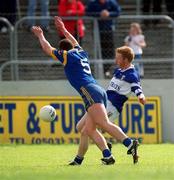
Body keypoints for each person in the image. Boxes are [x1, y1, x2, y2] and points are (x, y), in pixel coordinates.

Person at [32, 16, 142, 165]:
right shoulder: (80, 52)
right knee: (86, 129)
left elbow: (47, 48)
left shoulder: (67, 56)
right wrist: (63, 29)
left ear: (63, 50)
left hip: (89, 91)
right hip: (97, 90)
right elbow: (75, 41)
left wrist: (40, 35)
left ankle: (130, 143)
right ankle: (97, 157)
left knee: (103, 123)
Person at [69, 46, 146, 165]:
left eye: (118, 58)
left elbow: (137, 87)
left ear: (125, 60)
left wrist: (141, 96)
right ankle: (109, 146)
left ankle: (84, 158)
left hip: (113, 106)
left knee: (87, 130)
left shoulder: (132, 74)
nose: (116, 60)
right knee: (80, 127)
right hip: (102, 102)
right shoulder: (118, 70)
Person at [86, 0, 121, 76]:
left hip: (108, 30)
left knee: (110, 51)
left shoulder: (111, 2)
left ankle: (106, 69)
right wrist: (99, 14)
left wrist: (109, 14)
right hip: (97, 30)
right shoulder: (93, 3)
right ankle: (100, 69)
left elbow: (118, 12)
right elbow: (87, 12)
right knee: (99, 50)